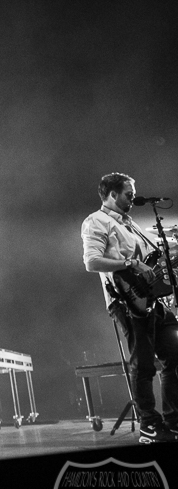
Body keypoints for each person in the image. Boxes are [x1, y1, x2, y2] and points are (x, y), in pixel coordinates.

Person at [81, 173, 178, 443]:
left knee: (174, 355)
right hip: (126, 300)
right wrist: (131, 263)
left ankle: (173, 420)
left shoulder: (130, 224)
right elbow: (91, 262)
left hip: (152, 300)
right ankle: (149, 424)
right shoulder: (96, 221)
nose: (133, 199)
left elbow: (152, 262)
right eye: (129, 194)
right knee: (143, 363)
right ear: (112, 194)